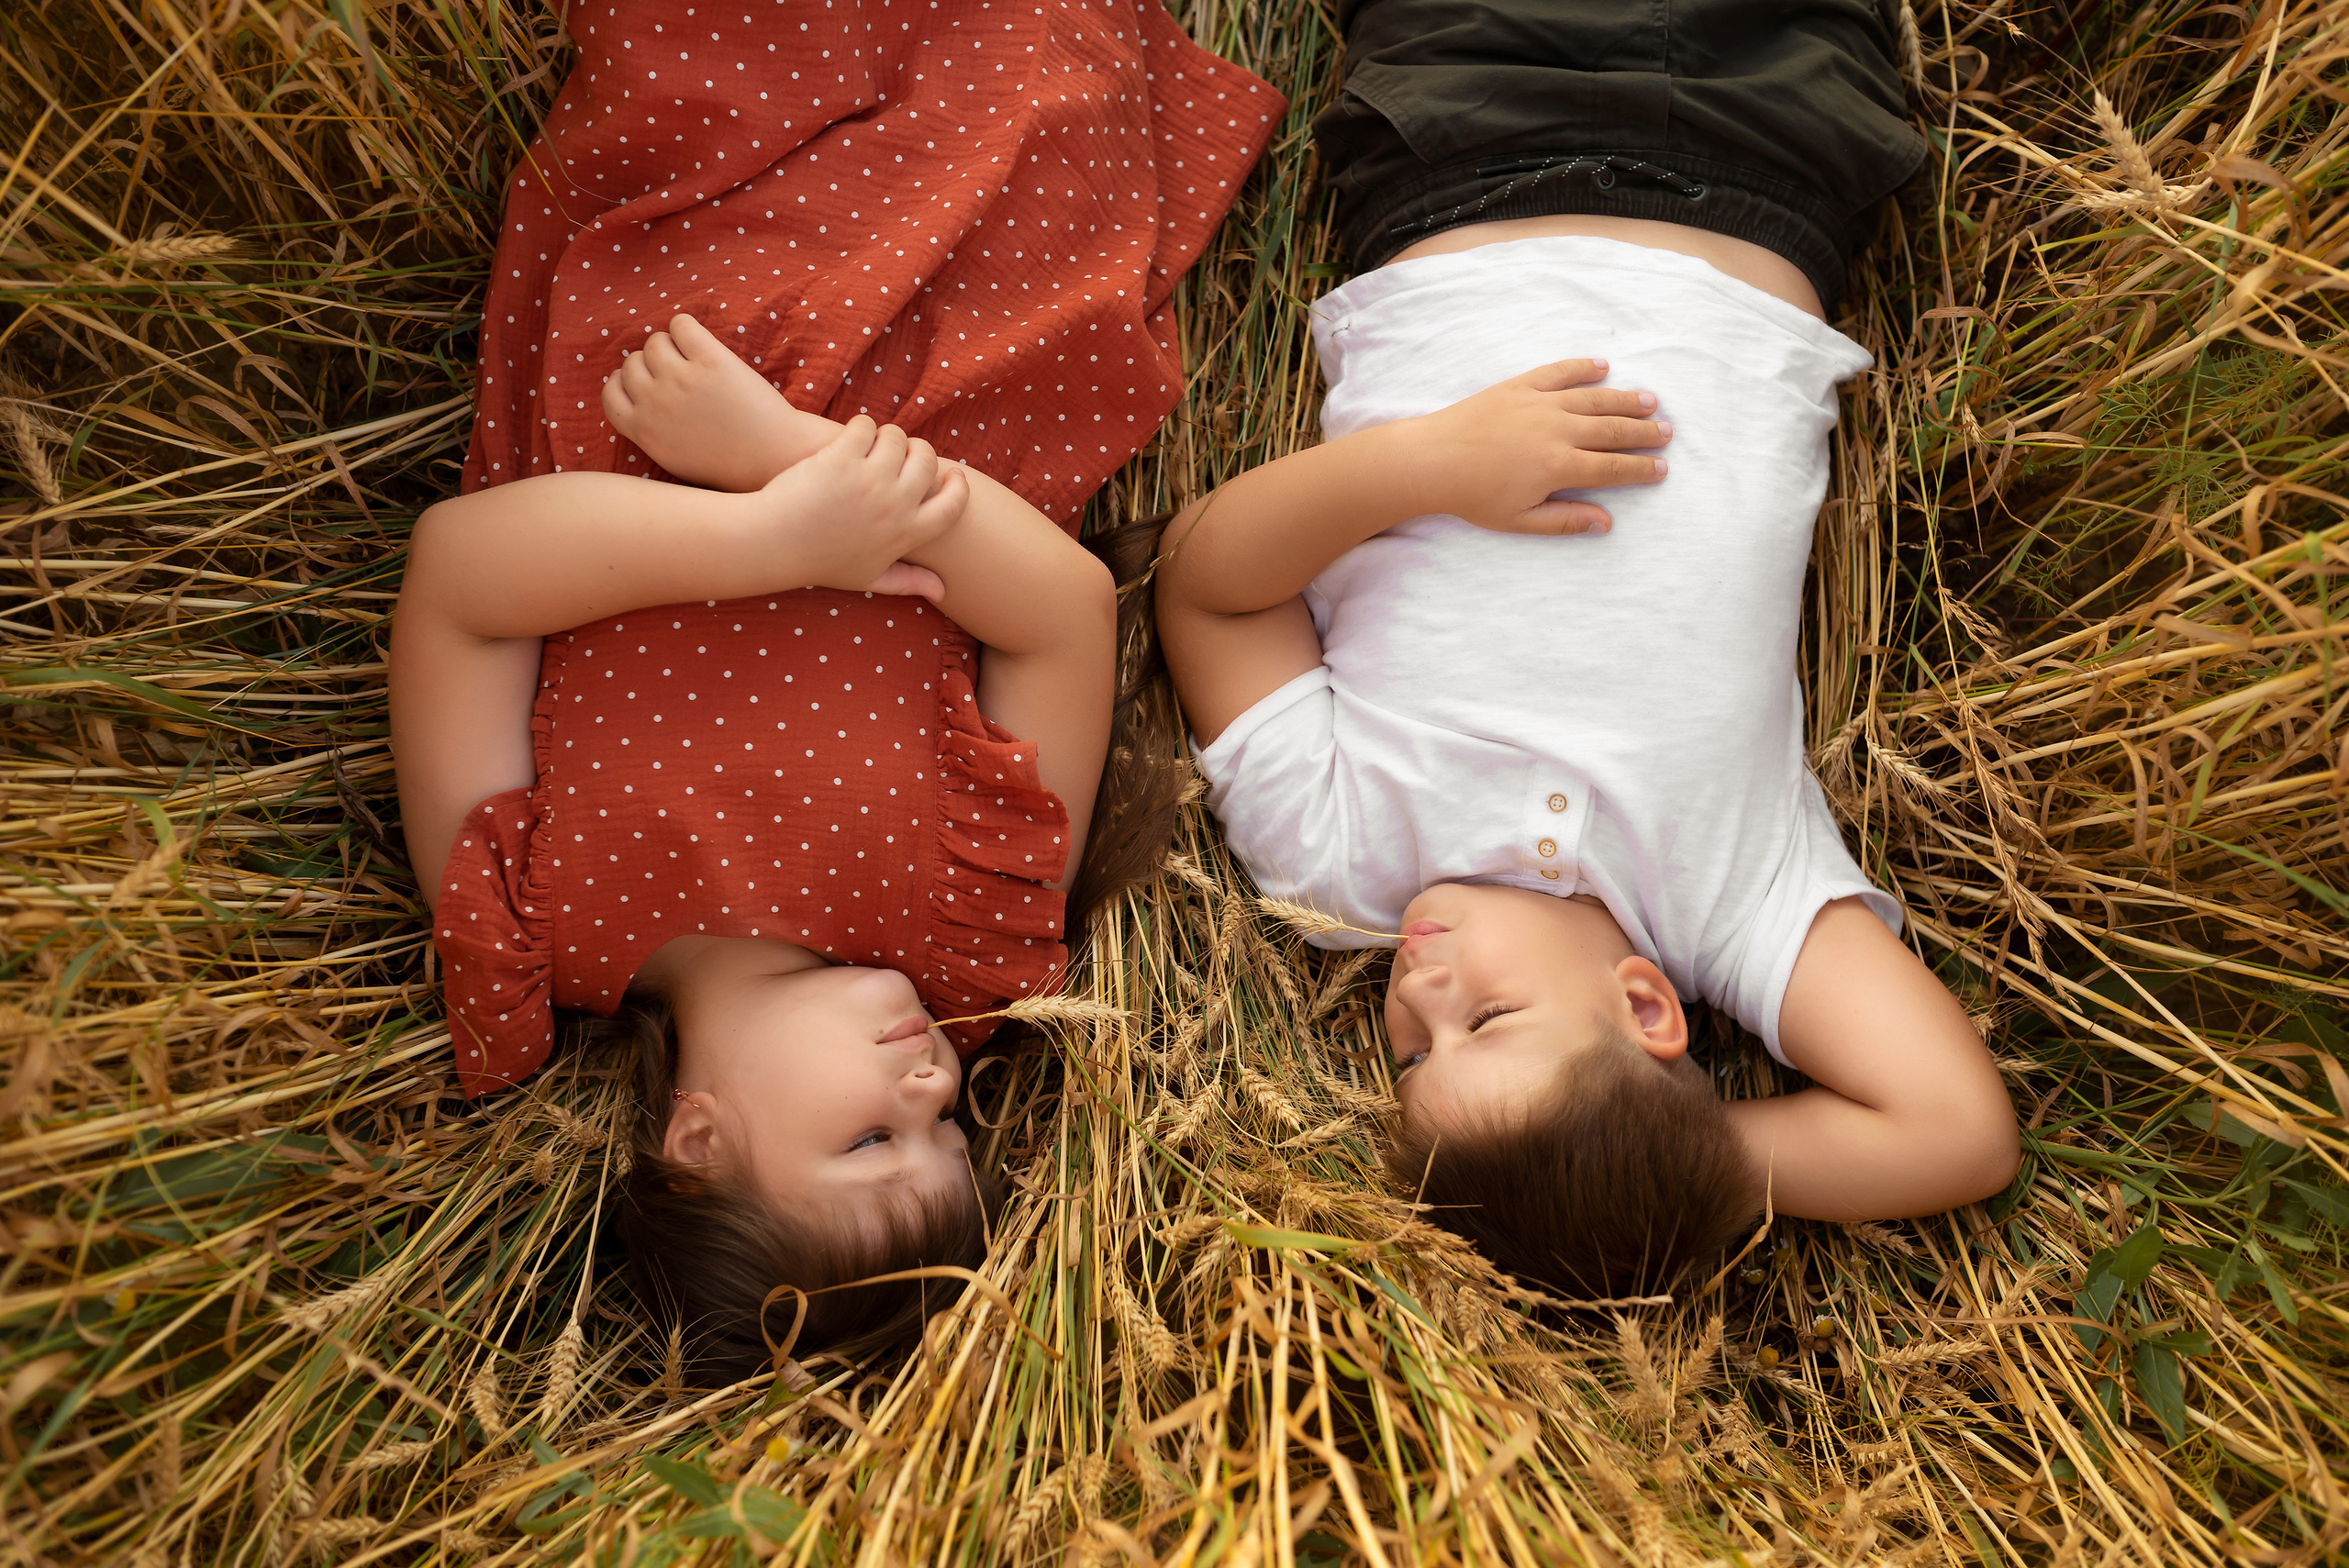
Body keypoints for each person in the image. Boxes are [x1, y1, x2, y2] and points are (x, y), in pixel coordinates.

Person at [400, 0, 1278, 1379]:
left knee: (723, 51)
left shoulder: (531, 933)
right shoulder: (971, 940)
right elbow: (1060, 613)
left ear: (697, 1140)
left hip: (665, 338)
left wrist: (767, 533)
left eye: (873, 1137)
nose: (936, 1087)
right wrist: (800, 454)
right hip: (945, 386)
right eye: (953, 1132)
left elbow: (460, 583)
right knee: (1045, 95)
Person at [1153, 0, 2020, 1301]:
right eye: (1485, 1022)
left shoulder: (1338, 858)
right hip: (1761, 151)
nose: (1418, 994)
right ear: (1646, 1009)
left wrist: (1426, 463)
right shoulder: (1731, 900)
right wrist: (1654, 1159)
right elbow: (1957, 1131)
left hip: (1469, 137)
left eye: (1405, 1056)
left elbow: (1207, 588)